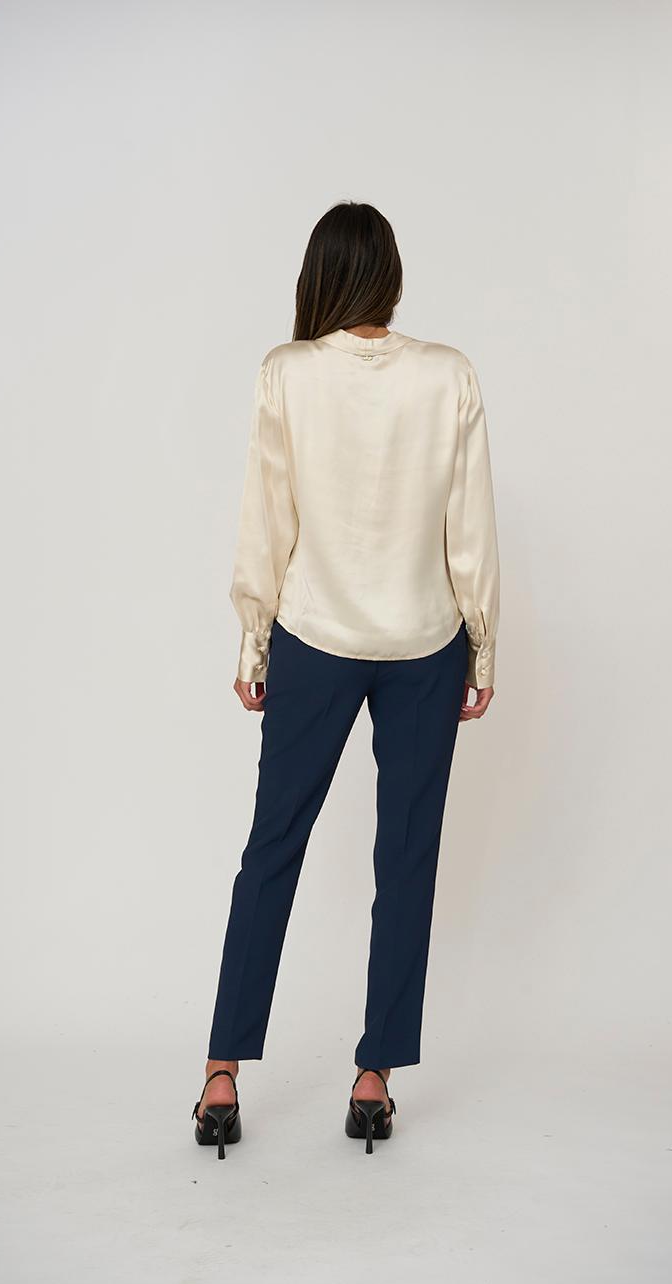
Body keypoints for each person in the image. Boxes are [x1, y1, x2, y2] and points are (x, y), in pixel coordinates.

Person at [191, 201, 500, 1158]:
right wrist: (483, 645)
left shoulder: (286, 373)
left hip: (314, 635)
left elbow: (267, 518)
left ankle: (220, 1076)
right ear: (391, 277)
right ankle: (374, 1080)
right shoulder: (449, 374)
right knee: (406, 858)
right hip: (424, 639)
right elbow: (470, 525)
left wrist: (253, 645)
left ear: (318, 277)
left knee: (270, 849)